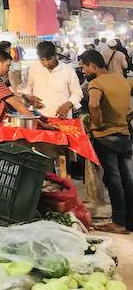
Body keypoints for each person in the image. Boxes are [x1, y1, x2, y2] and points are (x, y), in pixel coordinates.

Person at [78, 50, 133, 234]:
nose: (83, 71)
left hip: (105, 137)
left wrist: (97, 123)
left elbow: (93, 104)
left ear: (92, 66)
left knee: (113, 179)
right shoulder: (122, 80)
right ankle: (129, 221)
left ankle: (118, 222)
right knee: (127, 178)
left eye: (84, 67)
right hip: (124, 135)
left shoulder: (96, 83)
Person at [0, 50, 44, 141]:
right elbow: (16, 104)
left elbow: (6, 96)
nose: (8, 69)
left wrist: (26, 97)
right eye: (8, 65)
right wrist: (39, 123)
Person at [25, 41, 83, 118]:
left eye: (49, 59)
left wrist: (69, 104)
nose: (46, 63)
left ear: (55, 56)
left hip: (62, 117)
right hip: (39, 118)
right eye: (42, 60)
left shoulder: (68, 70)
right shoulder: (33, 69)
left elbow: (78, 93)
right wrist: (29, 98)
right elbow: (27, 89)